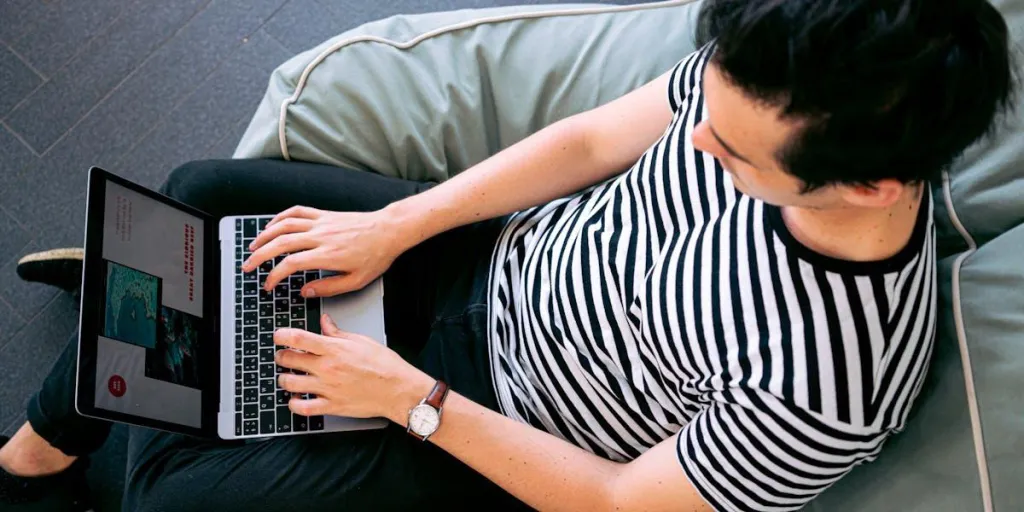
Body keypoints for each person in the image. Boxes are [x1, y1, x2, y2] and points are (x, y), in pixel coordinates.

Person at [1, 0, 1015, 510]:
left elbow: (617, 503)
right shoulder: (768, 76)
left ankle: (105, 373)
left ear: (871, 184)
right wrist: (396, 227)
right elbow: (582, 144)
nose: (695, 140)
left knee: (166, 490)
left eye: (730, 151)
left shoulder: (825, 390)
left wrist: (408, 395)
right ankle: (84, 400)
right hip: (492, 259)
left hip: (487, 418)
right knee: (204, 193)